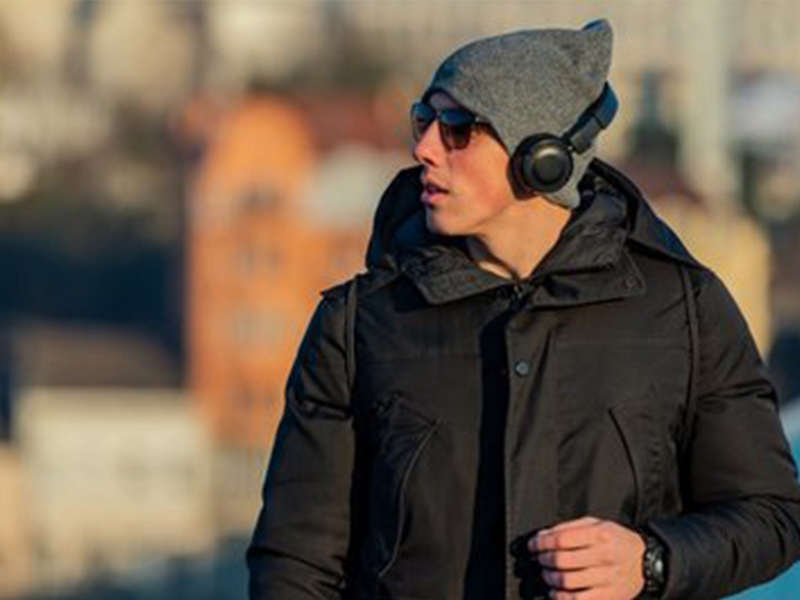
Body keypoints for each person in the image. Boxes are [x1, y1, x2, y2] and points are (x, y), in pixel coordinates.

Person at [247, 20, 800, 600]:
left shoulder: (684, 310)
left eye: (457, 128)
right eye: (423, 120)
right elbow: (294, 564)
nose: (424, 148)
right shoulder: (358, 325)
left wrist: (652, 561)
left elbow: (771, 517)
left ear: (543, 158)